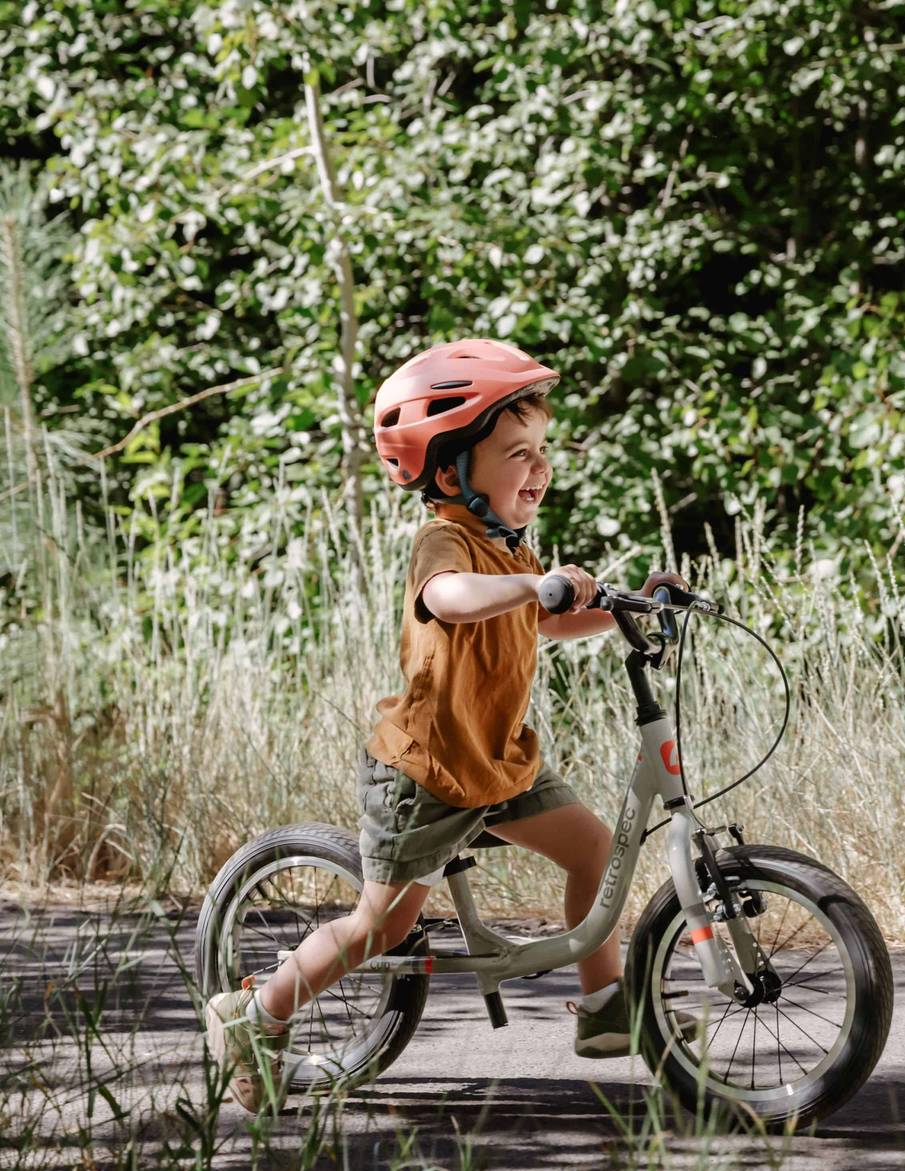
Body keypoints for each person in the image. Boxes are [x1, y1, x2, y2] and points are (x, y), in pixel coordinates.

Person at [205, 337, 688, 1112]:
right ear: (451, 470)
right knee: (380, 930)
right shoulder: (449, 541)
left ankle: (606, 1010)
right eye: (516, 453)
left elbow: (541, 620)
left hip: (496, 760)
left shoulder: (510, 544)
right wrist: (538, 582)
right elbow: (451, 598)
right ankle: (256, 1015)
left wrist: (620, 607)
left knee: (594, 848)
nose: (539, 468)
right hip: (425, 772)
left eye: (542, 451)